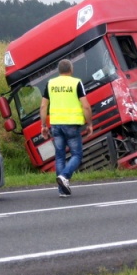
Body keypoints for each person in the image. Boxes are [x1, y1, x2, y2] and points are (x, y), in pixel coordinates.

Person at [40, 59, 93, 197]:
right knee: (77, 154)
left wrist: (44, 125)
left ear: (59, 70)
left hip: (56, 124)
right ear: (71, 69)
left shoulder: (50, 84)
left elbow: (43, 106)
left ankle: (62, 190)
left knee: (59, 157)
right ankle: (65, 176)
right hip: (72, 125)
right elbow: (86, 106)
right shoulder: (76, 83)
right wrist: (89, 123)